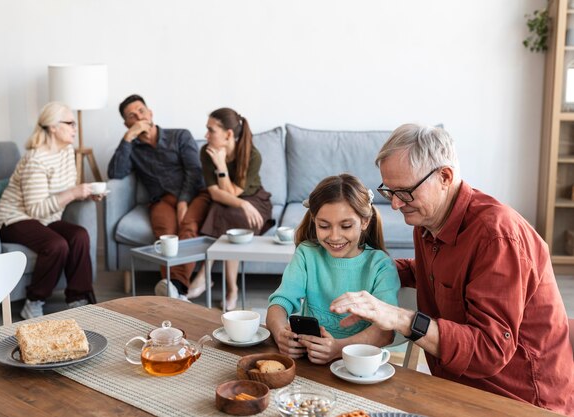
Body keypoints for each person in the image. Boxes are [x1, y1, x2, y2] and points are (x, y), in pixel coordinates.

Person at [330, 123, 574, 416]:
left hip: (519, 401)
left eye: (404, 192)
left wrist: (400, 318)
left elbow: (490, 350)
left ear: (444, 176)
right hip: (455, 386)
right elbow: (428, 272)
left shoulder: (496, 235)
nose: (394, 204)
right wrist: (361, 266)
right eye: (388, 191)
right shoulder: (427, 221)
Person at [265, 174, 400, 364]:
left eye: (345, 226)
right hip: (310, 363)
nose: (335, 237)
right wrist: (280, 333)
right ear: (314, 220)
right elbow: (279, 302)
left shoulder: (381, 266)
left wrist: (337, 349)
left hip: (356, 366)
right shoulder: (307, 254)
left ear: (364, 221)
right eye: (324, 226)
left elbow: (385, 332)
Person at [0, 102, 98, 320]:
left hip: (47, 219)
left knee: (80, 235)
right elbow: (35, 209)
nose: (75, 128)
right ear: (52, 127)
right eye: (70, 123)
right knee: (55, 245)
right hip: (15, 218)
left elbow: (62, 192)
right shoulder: (36, 159)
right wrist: (73, 192)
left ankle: (78, 299)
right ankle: (34, 301)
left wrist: (84, 194)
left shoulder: (67, 152)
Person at [108, 94, 210, 300]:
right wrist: (128, 138)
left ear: (150, 113)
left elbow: (194, 171)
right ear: (126, 123)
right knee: (166, 233)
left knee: (188, 226)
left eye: (141, 111)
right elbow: (115, 173)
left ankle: (176, 287)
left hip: (194, 195)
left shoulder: (180, 136)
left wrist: (183, 200)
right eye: (131, 116)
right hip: (161, 200)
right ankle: (175, 289)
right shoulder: (132, 149)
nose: (138, 117)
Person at [186, 108, 274, 310]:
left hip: (255, 200)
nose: (206, 135)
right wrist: (243, 204)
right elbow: (216, 194)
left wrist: (222, 168)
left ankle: (204, 277)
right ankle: (229, 288)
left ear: (228, 134)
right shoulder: (206, 152)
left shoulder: (251, 155)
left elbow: (233, 192)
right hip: (236, 203)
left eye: (211, 130)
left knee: (225, 213)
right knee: (223, 210)